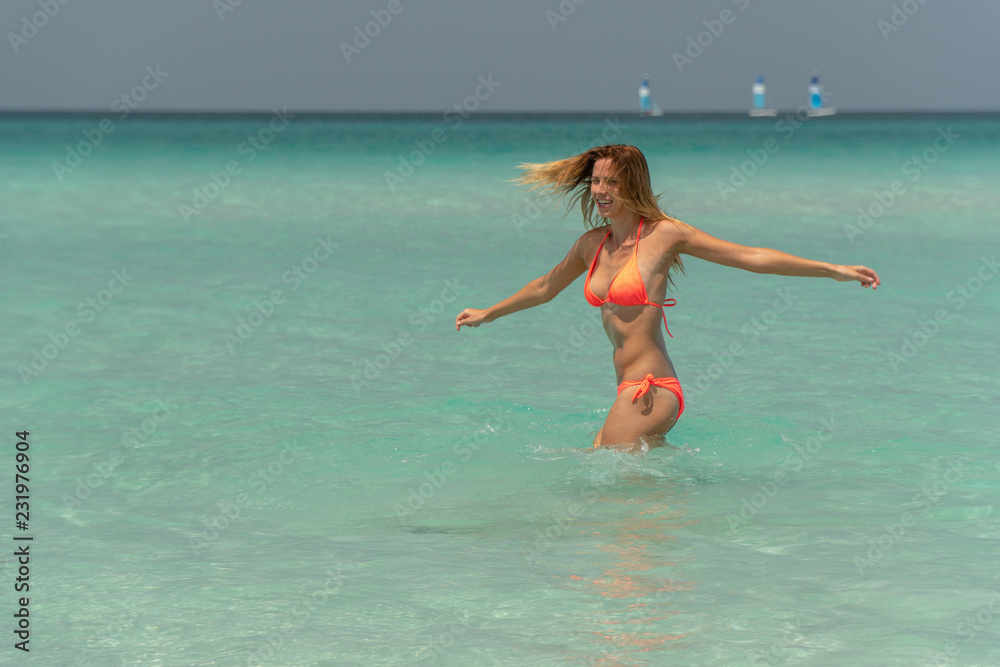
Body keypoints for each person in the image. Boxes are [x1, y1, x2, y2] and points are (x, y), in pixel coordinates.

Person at [455, 145, 879, 451]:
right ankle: (662, 564)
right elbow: (545, 287)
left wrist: (833, 270)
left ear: (632, 185)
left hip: (652, 388)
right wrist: (489, 313)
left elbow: (749, 257)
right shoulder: (592, 245)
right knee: (623, 480)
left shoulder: (664, 235)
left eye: (612, 182)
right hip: (627, 389)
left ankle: (639, 568)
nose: (601, 190)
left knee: (601, 480)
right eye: (596, 181)